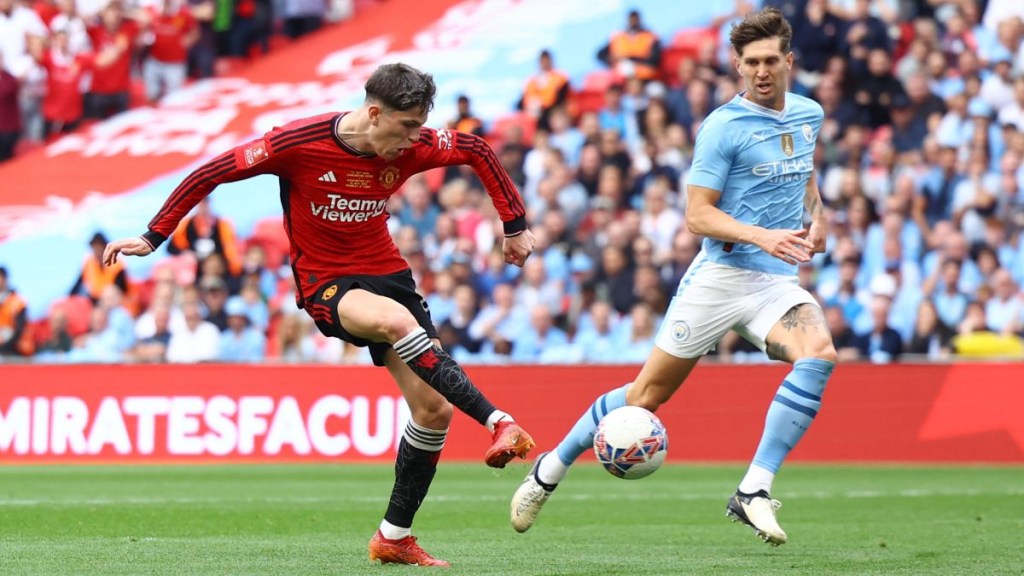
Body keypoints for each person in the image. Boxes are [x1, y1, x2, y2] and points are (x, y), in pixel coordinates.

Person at [103, 63, 537, 567]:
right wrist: (153, 236)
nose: (413, 141)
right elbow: (212, 171)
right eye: (404, 128)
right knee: (399, 323)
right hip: (328, 283)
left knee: (432, 412)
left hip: (388, 275)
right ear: (374, 114)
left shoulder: (413, 145)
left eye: (420, 128)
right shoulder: (297, 143)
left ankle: (393, 537)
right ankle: (498, 421)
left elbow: (479, 149)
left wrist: (514, 226)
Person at [511, 7, 836, 546]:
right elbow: (697, 215)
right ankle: (550, 468)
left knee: (819, 355)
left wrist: (818, 215)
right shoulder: (722, 127)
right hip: (721, 275)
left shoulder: (808, 114)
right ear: (736, 66)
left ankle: (754, 489)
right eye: (750, 62)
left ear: (789, 61)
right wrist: (763, 235)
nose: (761, 71)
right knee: (645, 396)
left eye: (770, 60)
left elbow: (803, 168)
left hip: (774, 282)